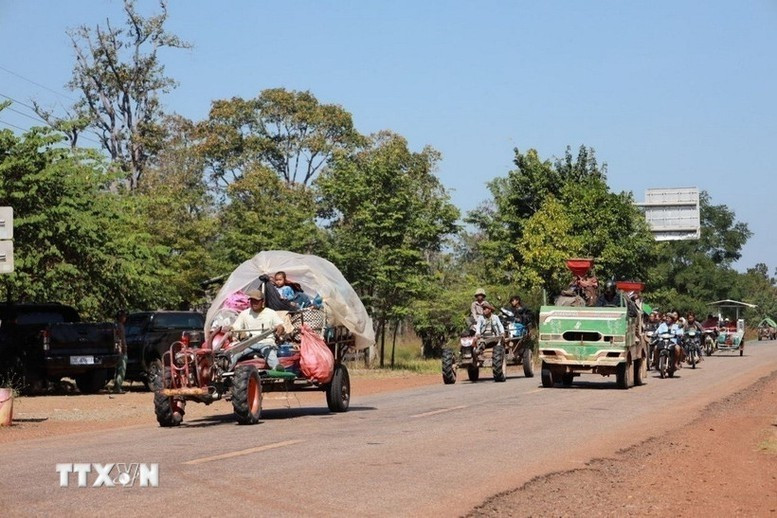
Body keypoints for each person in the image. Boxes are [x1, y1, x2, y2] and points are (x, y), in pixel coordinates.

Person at [229, 289, 285, 371]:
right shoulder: (244, 314)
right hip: (249, 342)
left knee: (270, 353)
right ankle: (225, 369)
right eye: (252, 301)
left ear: (262, 301)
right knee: (234, 353)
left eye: (256, 301)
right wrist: (230, 329)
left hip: (266, 342)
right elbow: (236, 327)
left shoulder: (271, 313)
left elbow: (280, 325)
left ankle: (277, 369)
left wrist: (279, 328)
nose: (254, 303)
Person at [112, 310, 128, 394]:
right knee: (122, 368)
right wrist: (124, 348)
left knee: (117, 369)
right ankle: (118, 387)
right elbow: (122, 339)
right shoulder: (120, 326)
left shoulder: (114, 325)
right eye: (124, 316)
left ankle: (116, 386)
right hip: (120, 350)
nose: (125, 318)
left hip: (116, 349)